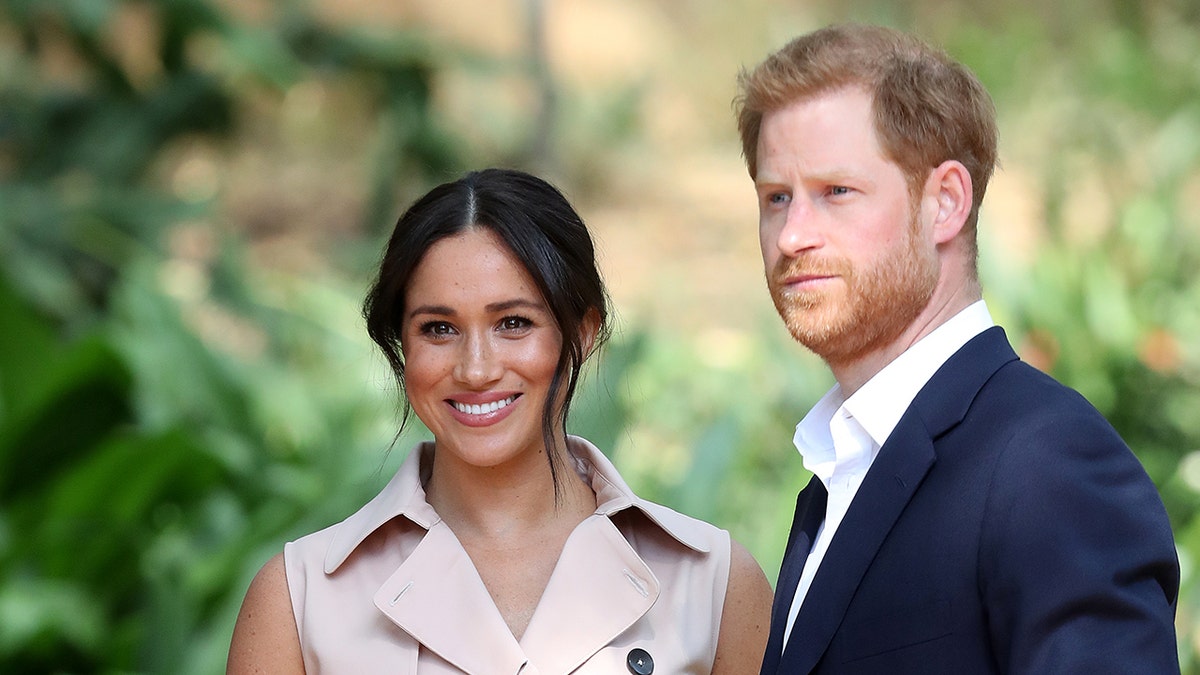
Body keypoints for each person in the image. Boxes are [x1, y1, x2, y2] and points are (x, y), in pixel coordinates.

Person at [733, 24, 1180, 674]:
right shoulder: (842, 470)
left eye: (836, 192)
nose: (792, 234)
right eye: (777, 198)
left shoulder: (1048, 465)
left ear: (945, 202)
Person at [227, 168, 773, 673]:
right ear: (402, 345)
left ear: (581, 332)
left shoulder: (714, 585)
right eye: (438, 329)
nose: (476, 368)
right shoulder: (299, 599)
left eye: (513, 323)